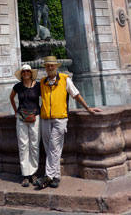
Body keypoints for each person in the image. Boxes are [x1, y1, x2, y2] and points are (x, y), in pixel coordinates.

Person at [36, 56, 102, 189]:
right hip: (45, 119)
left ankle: (48, 176)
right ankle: (56, 177)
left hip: (60, 118)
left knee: (54, 147)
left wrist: (87, 107)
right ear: (45, 67)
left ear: (56, 67)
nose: (50, 67)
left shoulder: (65, 79)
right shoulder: (42, 82)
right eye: (47, 66)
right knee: (50, 148)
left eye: (52, 66)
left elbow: (76, 94)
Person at [10, 64, 41, 187]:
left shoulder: (38, 86)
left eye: (28, 71)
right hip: (21, 118)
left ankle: (33, 173)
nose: (26, 73)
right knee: (23, 146)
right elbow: (11, 97)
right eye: (24, 72)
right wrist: (15, 111)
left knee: (34, 145)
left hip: (36, 117)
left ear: (31, 73)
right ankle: (25, 174)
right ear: (21, 74)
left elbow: (45, 97)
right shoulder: (17, 86)